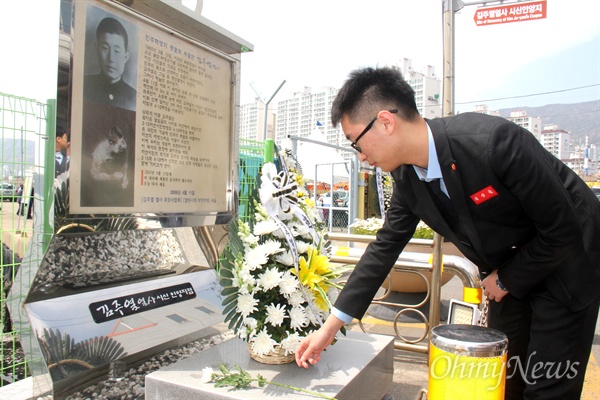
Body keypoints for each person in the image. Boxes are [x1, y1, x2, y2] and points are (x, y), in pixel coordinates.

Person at [295, 66, 600, 400]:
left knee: (547, 387)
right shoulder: (407, 178)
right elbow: (386, 246)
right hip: (509, 275)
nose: (362, 156)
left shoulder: (492, 142)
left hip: (567, 263)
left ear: (385, 121)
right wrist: (330, 328)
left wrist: (505, 280)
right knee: (506, 379)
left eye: (356, 142)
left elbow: (562, 229)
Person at [84, 16, 136, 111]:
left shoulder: (133, 97)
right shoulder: (84, 85)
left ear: (125, 57)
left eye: (117, 51)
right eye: (105, 48)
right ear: (97, 49)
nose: (111, 58)